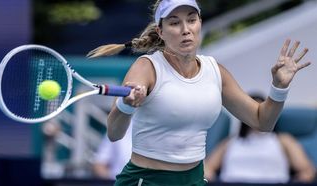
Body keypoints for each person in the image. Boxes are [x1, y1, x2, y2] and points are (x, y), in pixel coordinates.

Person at [87, 0, 311, 185]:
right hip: (147, 180)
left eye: (191, 20)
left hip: (194, 179)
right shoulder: (146, 67)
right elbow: (114, 133)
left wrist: (279, 88)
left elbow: (262, 121)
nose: (185, 30)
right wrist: (127, 105)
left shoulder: (216, 71)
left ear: (199, 24)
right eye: (174, 23)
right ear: (161, 31)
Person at [204, 94, 316, 183]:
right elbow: (207, 168)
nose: (257, 115)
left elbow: (307, 170)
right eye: (252, 111)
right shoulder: (230, 142)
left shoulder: (283, 140)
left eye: (261, 110)